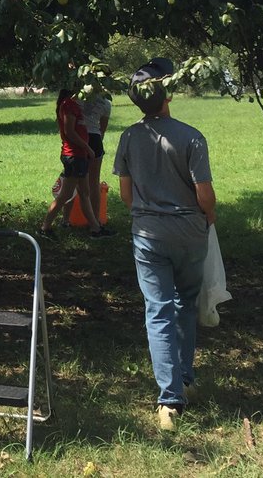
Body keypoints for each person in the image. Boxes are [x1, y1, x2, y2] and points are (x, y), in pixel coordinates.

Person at [113, 57, 216, 430]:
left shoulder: (128, 137)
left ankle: (169, 401)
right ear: (165, 92)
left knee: (157, 311)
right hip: (190, 233)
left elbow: (126, 195)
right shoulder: (191, 136)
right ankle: (185, 379)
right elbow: (204, 194)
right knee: (185, 304)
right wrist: (209, 215)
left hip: (148, 235)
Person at [40, 88, 113, 239]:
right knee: (65, 194)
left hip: (79, 154)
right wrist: (88, 147)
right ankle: (45, 227)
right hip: (74, 155)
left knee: (84, 192)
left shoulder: (74, 104)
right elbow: (69, 132)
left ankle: (95, 228)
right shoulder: (69, 105)